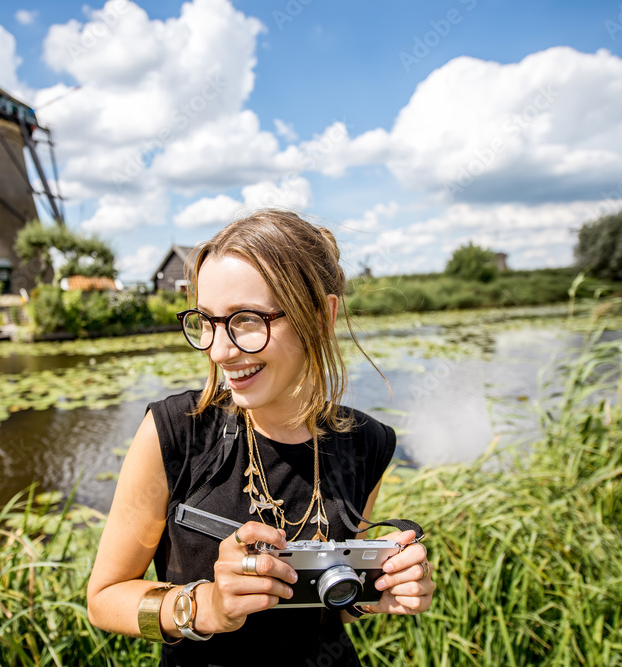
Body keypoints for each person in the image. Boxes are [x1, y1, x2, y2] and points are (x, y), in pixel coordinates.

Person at [87, 210, 434, 666]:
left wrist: (377, 590)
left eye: (246, 320)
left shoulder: (368, 442)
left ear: (321, 316)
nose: (219, 350)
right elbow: (104, 598)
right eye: (207, 321)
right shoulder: (174, 431)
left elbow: (338, 607)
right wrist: (205, 607)